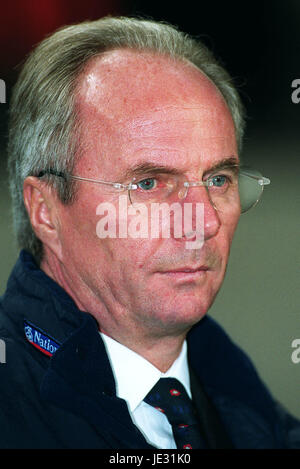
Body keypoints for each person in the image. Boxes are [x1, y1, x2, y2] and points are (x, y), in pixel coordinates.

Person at [0, 16, 299, 449]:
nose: (204, 221)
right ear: (46, 211)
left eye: (218, 179)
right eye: (149, 184)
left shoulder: (248, 407)